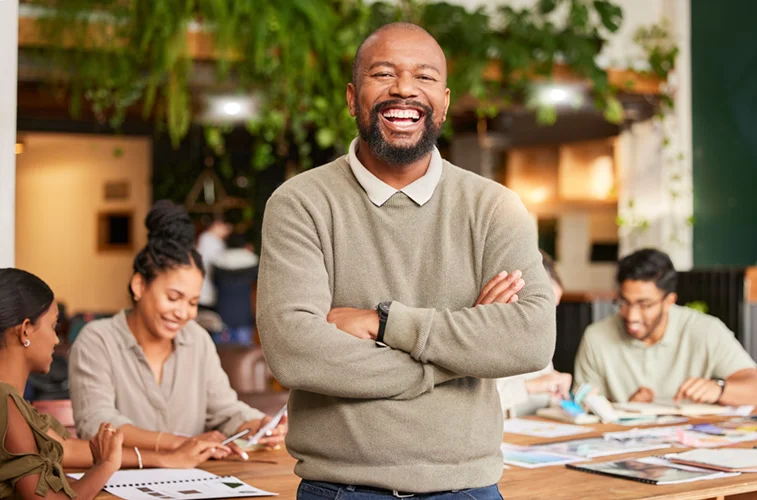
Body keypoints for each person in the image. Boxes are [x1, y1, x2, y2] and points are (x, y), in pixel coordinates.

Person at [257, 22, 555, 499]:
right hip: (341, 491)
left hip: (470, 489)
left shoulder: (495, 207)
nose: (404, 89)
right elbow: (294, 351)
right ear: (353, 98)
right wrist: (455, 356)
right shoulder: (301, 203)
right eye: (384, 73)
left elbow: (530, 340)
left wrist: (385, 323)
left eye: (425, 76)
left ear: (445, 100)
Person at [69, 201, 286, 458]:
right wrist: (176, 444)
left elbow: (224, 409)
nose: (183, 313)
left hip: (192, 481)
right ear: (139, 286)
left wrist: (255, 425)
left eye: (193, 302)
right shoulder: (97, 340)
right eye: (173, 298)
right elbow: (96, 422)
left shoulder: (197, 340)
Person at [0, 269, 229, 500]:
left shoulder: (14, 404)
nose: (57, 339)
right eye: (53, 326)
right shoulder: (6, 404)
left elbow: (66, 448)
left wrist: (167, 458)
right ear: (26, 330)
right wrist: (105, 467)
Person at [574, 248, 757, 405]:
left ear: (669, 301)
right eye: (624, 302)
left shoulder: (705, 330)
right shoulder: (596, 337)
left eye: (645, 305)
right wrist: (625, 411)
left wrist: (719, 390)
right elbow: (582, 409)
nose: (632, 316)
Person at [496, 251, 572, 418]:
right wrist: (529, 386)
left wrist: (571, 401)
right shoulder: (489, 338)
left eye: (554, 309)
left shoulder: (538, 339)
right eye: (545, 308)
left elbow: (546, 398)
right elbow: (479, 406)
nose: (549, 318)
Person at [212, 232, 259, 345]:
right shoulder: (253, 262)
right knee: (243, 354)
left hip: (222, 314)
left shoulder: (217, 262)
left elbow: (214, 284)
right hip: (244, 315)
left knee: (221, 355)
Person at [196, 215, 233, 310]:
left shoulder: (205, 238)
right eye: (227, 229)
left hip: (203, 291)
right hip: (206, 293)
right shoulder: (213, 241)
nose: (227, 233)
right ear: (218, 224)